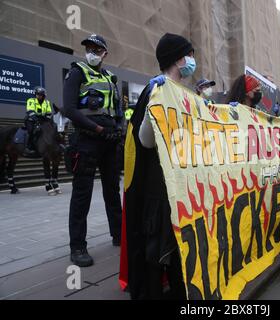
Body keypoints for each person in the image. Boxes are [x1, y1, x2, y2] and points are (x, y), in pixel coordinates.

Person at [122, 33, 193, 300]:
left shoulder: (183, 94)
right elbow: (145, 141)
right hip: (158, 189)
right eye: (190, 55)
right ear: (178, 58)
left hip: (178, 186)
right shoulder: (158, 91)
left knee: (176, 248)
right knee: (157, 250)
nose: (193, 61)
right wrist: (157, 107)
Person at [62, 34, 123, 267]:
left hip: (109, 142)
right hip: (86, 140)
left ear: (105, 53)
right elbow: (69, 109)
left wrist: (118, 130)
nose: (92, 53)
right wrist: (98, 129)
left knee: (112, 191)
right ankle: (77, 247)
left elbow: (116, 109)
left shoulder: (110, 78)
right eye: (89, 48)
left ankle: (118, 236)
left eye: (97, 50)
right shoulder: (77, 71)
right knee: (82, 194)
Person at [24, 87, 53, 155]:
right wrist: (36, 120)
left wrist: (47, 120)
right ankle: (28, 147)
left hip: (42, 120)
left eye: (40, 94)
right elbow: (30, 111)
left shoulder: (47, 102)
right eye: (37, 94)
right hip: (30, 120)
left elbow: (49, 113)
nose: (39, 96)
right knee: (31, 130)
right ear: (35, 94)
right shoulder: (31, 100)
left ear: (43, 95)